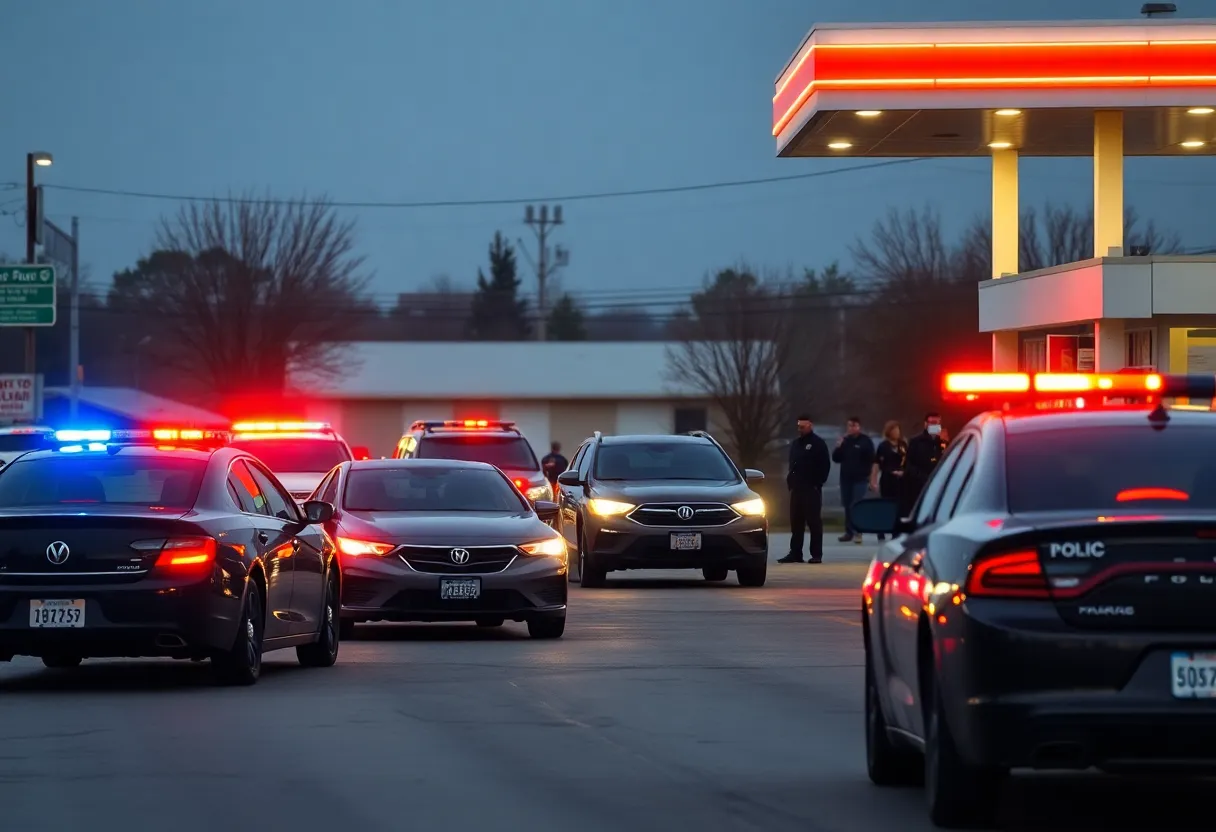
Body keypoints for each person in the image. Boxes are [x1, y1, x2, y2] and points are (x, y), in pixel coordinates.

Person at [777, 414, 831, 564]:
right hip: (797, 488)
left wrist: (817, 483)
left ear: (810, 425)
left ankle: (816, 554)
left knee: (813, 522)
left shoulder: (818, 444)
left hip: (811, 489)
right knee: (796, 522)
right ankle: (795, 553)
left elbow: (825, 465)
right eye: (799, 426)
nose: (800, 429)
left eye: (803, 426)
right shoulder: (796, 444)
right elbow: (792, 464)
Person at [833, 416, 876, 544]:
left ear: (859, 427)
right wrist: (839, 447)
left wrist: (871, 477)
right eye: (849, 426)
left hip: (860, 479)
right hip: (846, 478)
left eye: (854, 426)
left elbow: (872, 459)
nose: (851, 428)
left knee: (856, 505)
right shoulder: (845, 441)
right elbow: (836, 458)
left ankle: (858, 532)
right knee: (847, 505)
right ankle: (848, 532)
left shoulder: (865, 441)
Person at [902, 412, 947, 517]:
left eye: (936, 423)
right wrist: (920, 476)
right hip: (918, 484)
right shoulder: (916, 441)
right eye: (931, 422)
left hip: (937, 482)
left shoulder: (943, 442)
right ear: (925, 424)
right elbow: (908, 463)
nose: (933, 425)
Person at [869, 421, 907, 542]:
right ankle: (881, 530)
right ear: (889, 431)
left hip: (900, 479)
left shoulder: (903, 445)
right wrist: (873, 480)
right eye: (894, 430)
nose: (897, 432)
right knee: (886, 504)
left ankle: (896, 531)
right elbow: (876, 464)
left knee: (899, 506)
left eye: (898, 430)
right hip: (887, 479)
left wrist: (904, 472)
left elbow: (909, 462)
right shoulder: (883, 446)